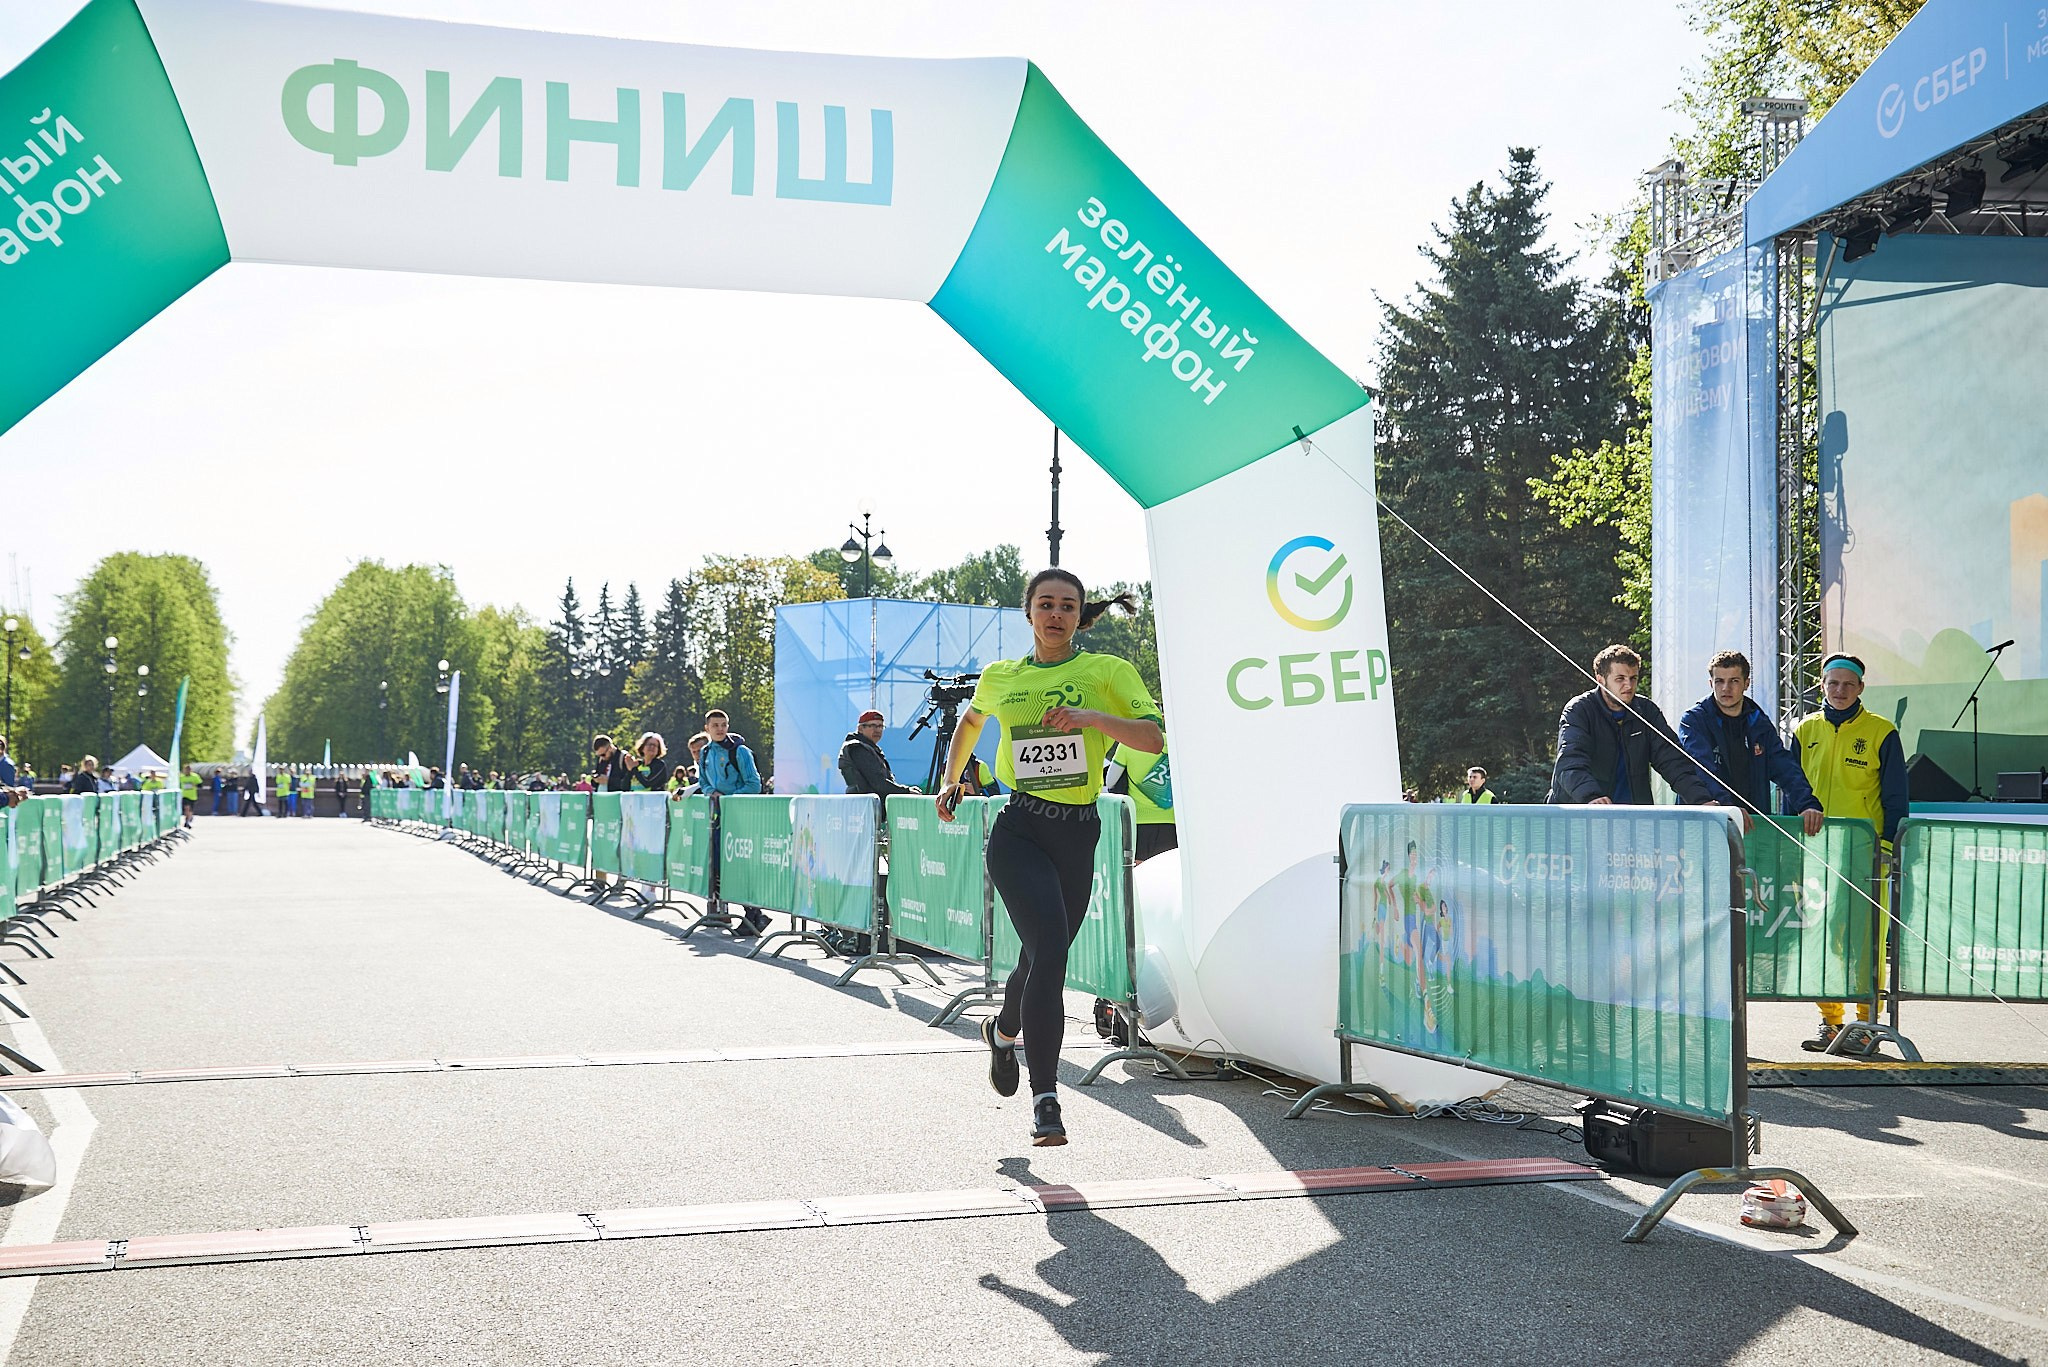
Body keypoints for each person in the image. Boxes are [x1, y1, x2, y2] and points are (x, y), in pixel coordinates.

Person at [938, 569, 1159, 1147]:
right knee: (1052, 956)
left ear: (1080, 615)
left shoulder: (1107, 673)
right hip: (1020, 830)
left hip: (1077, 833)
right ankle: (1047, 1100)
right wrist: (951, 779)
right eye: (1045, 604)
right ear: (1029, 612)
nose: (1055, 614)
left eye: (1067, 605)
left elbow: (1152, 739)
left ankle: (1004, 1031)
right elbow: (971, 720)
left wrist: (1093, 720)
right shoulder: (1002, 676)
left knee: (1039, 958)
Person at [1794, 654, 1908, 1055]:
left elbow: (1896, 796)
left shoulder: (1881, 731)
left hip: (1865, 853)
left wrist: (1889, 845)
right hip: (1815, 851)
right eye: (1832, 683)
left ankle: (1866, 1025)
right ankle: (1831, 1023)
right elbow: (1792, 787)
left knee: (1865, 941)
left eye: (1847, 684)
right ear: (1821, 685)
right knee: (1821, 935)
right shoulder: (1804, 728)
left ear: (1861, 688)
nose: (1839, 690)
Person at [1548, 644, 1720, 806]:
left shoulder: (1646, 711)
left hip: (1634, 818)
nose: (1628, 685)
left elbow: (1673, 761)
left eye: (1633, 678)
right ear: (1600, 680)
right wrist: (1591, 797)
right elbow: (1570, 762)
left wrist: (1701, 800)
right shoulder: (1579, 710)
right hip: (1583, 816)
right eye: (1620, 679)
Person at [1677, 649, 1824, 837]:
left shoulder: (1758, 720)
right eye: (1719, 681)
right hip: (1708, 828)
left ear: (1746, 683)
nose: (1725, 688)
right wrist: (1729, 809)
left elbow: (1784, 766)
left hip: (1753, 829)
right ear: (1710, 683)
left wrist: (1807, 804)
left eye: (1734, 681)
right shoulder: (1694, 720)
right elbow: (1701, 769)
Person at [697, 711, 767, 935]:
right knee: (722, 867)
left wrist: (729, 799)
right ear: (706, 728)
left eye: (724, 725)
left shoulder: (740, 751)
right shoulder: (705, 752)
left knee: (742, 867)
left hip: (741, 819)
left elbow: (754, 784)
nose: (720, 729)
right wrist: (711, 792)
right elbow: (703, 780)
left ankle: (754, 915)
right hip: (720, 819)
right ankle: (737, 912)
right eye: (715, 725)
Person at [1104, 734, 1174, 861]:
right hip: (1171, 823)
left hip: (1138, 823)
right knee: (1167, 872)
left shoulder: (1127, 743)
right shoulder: (1173, 741)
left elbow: (1110, 781)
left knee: (1141, 875)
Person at [838, 710, 917, 797]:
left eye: (881, 726)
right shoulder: (857, 748)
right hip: (864, 805)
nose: (878, 730)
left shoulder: (871, 749)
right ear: (860, 729)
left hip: (869, 803)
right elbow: (878, 782)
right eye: (873, 726)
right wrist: (906, 791)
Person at [180, 763, 199, 827]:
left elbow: (200, 784)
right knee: (186, 808)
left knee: (190, 810)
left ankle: (189, 819)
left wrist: (195, 785)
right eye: (186, 770)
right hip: (185, 795)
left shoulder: (195, 776)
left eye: (188, 770)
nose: (187, 771)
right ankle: (186, 821)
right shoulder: (181, 777)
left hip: (193, 796)